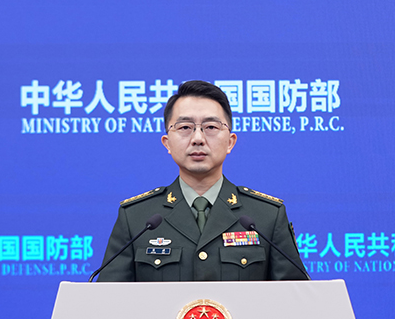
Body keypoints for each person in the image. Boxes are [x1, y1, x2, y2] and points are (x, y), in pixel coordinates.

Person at [96, 80, 309, 281]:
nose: (198, 139)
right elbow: (108, 299)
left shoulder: (266, 217)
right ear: (167, 143)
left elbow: (296, 298)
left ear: (230, 142)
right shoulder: (136, 218)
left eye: (211, 127)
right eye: (185, 127)